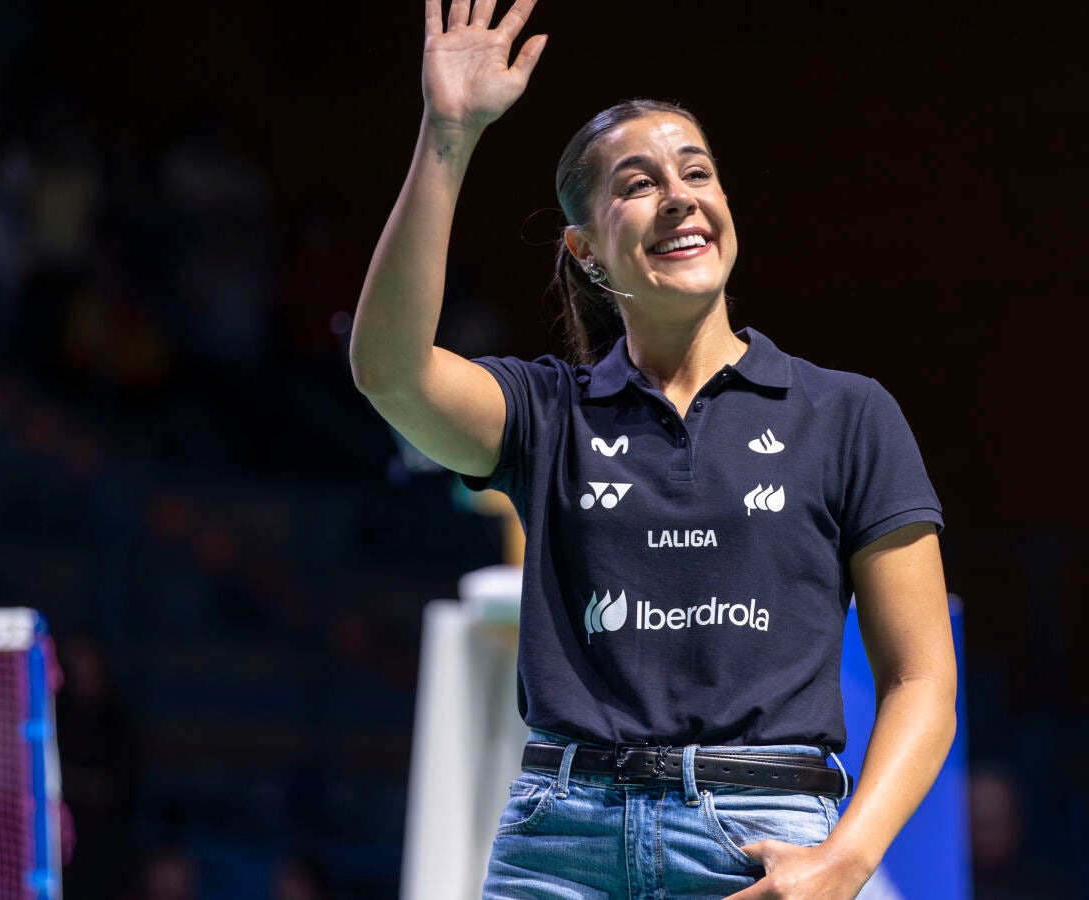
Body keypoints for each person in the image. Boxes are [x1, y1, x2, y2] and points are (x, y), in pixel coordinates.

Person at [347, 1, 958, 898]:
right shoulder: (545, 414)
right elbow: (388, 371)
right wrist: (449, 132)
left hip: (761, 840)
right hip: (559, 847)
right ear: (587, 250)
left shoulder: (850, 414)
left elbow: (921, 678)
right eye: (638, 184)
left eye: (697, 172)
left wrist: (848, 858)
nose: (678, 195)